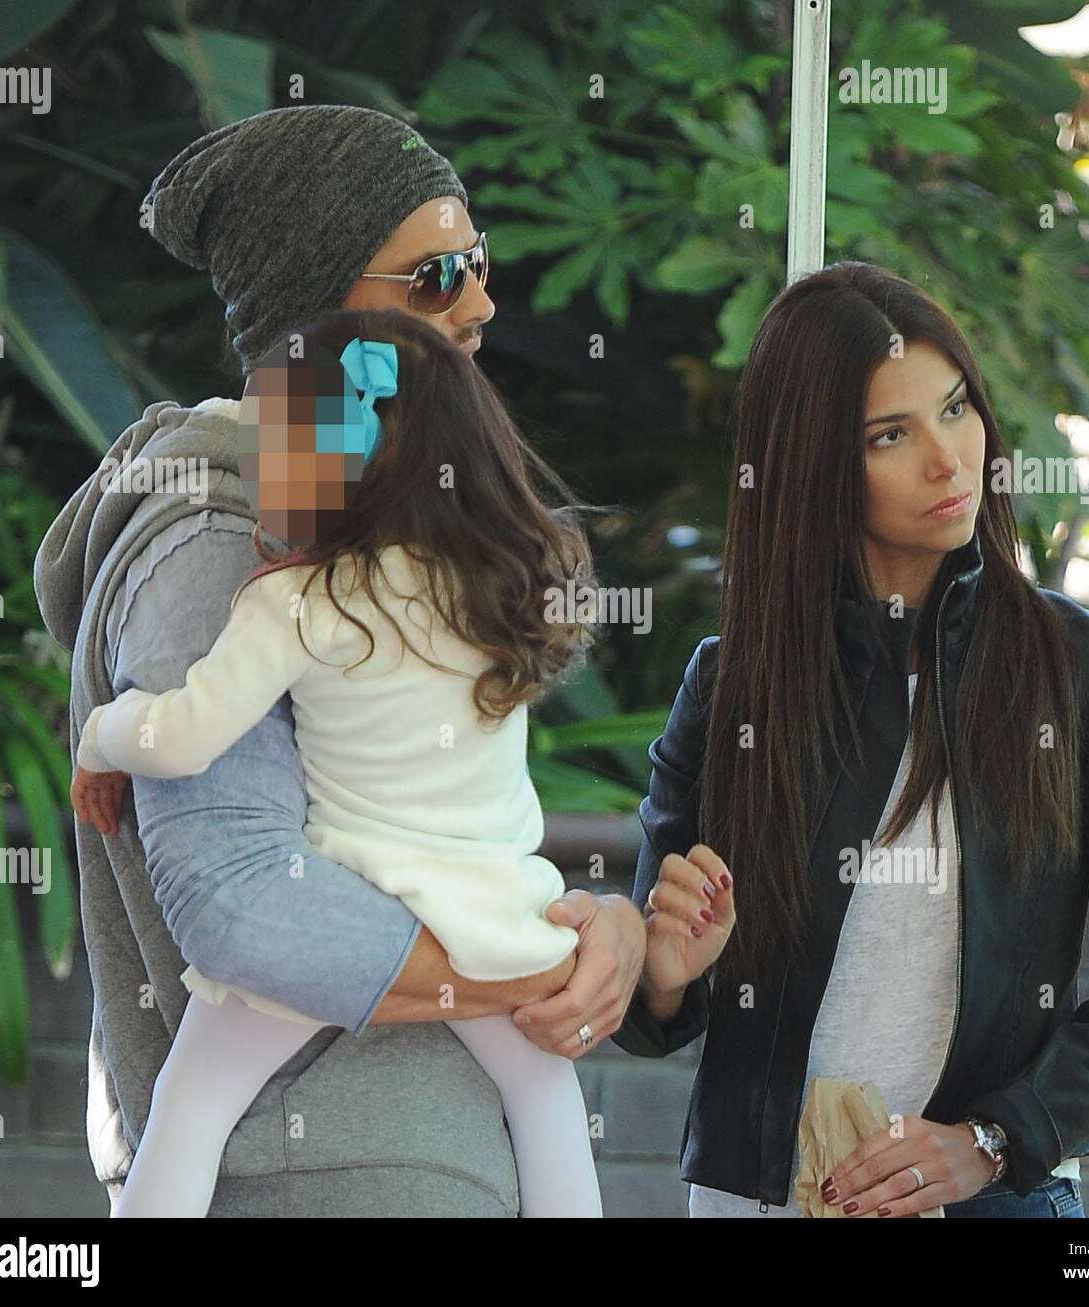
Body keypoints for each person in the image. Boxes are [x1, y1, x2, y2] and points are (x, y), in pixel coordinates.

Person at [34, 105, 644, 1219]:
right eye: (433, 276)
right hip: (323, 1173)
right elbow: (244, 908)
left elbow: (430, 800)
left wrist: (606, 929)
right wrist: (516, 967)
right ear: (316, 317)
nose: (479, 300)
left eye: (480, 262)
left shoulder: (382, 544)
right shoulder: (221, 548)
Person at [613, 261, 1089, 1218]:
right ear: (812, 466)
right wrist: (659, 973)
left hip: (989, 1200)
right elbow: (659, 1016)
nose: (949, 458)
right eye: (890, 435)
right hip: (761, 1199)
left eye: (955, 408)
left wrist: (993, 1139)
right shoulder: (734, 684)